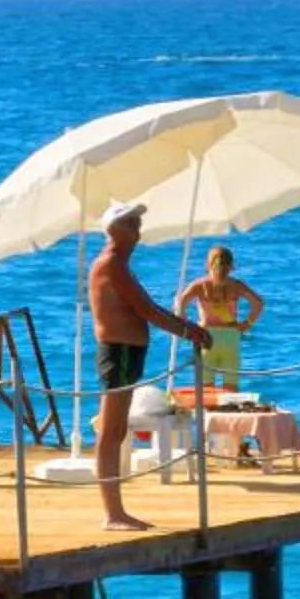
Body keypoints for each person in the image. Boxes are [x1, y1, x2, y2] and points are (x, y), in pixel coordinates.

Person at [90, 204, 210, 530]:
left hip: (128, 353)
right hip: (119, 353)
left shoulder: (120, 266)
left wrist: (187, 329)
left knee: (116, 429)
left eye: (138, 222)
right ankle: (113, 513)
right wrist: (189, 331)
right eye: (131, 222)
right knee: (111, 429)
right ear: (115, 228)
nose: (137, 229)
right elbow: (147, 310)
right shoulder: (111, 264)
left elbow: (147, 309)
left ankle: (116, 511)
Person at [174, 245, 265, 388]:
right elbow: (258, 303)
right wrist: (247, 323)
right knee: (231, 386)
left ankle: (206, 410)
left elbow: (180, 304)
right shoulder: (237, 285)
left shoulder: (199, 285)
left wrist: (186, 323)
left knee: (206, 388)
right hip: (230, 337)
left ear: (207, 264)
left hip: (205, 336)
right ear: (231, 265)